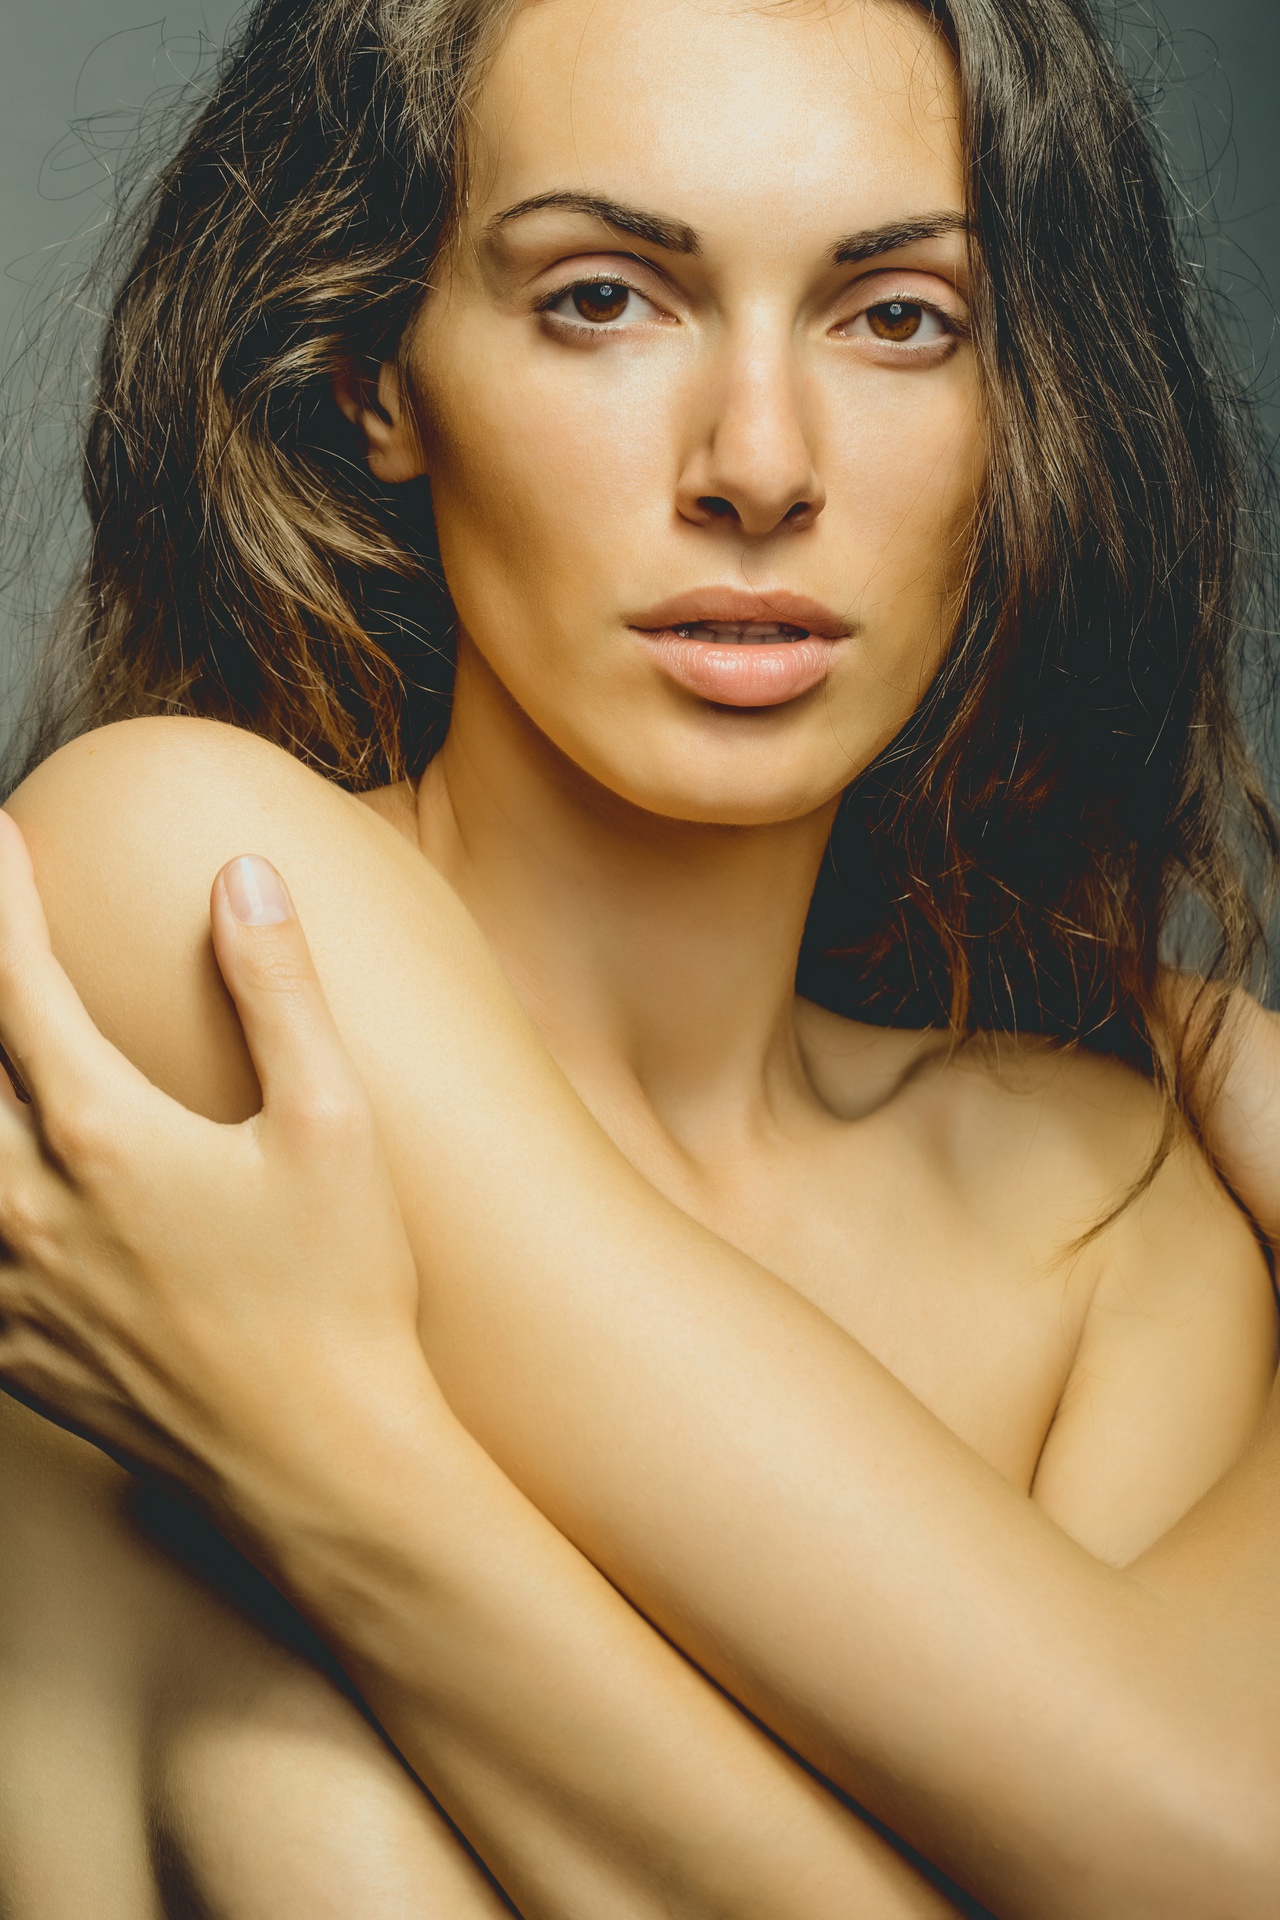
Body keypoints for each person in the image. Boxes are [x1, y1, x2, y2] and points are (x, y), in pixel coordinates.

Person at [0, 0, 1275, 1913]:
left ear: (1020, 408)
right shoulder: (190, 901)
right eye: (602, 298)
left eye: (897, 317)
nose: (760, 463)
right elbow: (1208, 1837)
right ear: (378, 377)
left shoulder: (1113, 1233)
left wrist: (336, 1469)